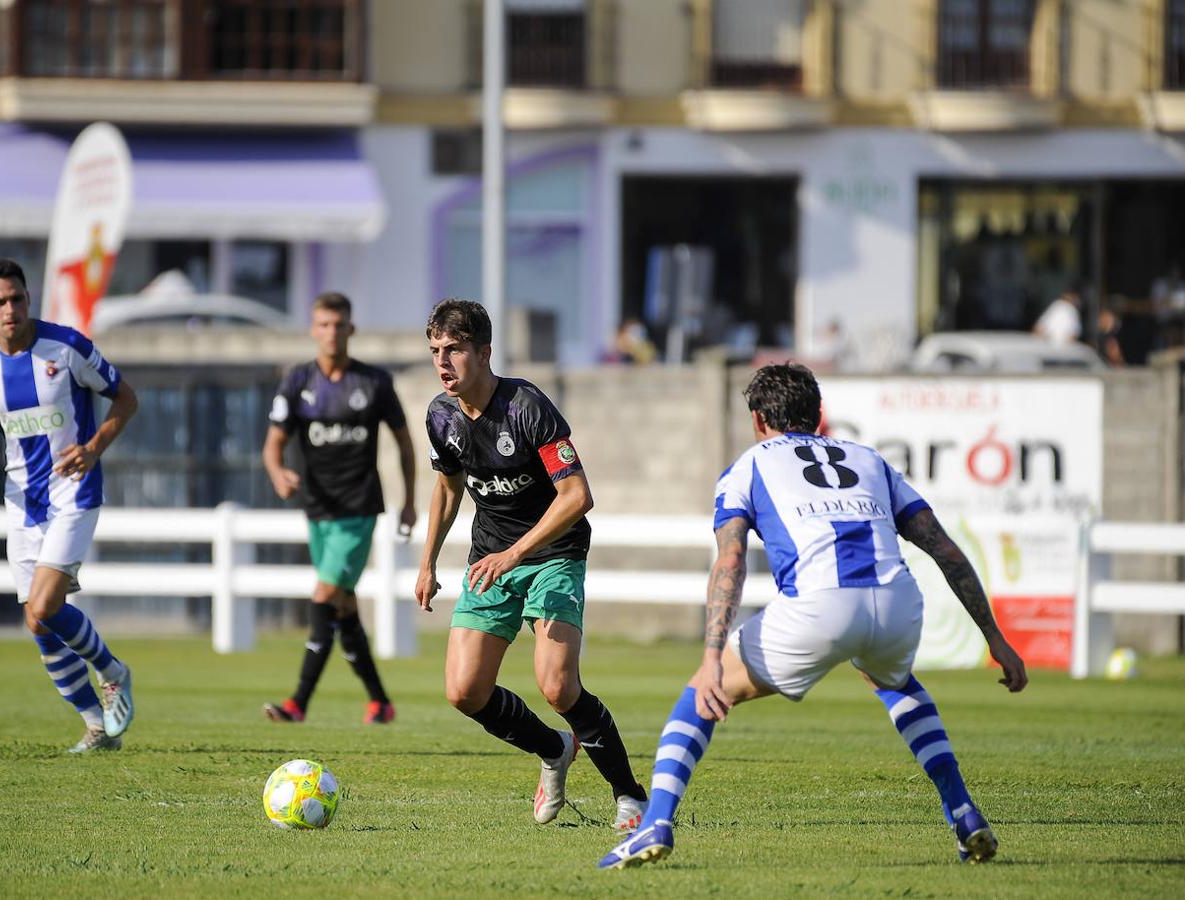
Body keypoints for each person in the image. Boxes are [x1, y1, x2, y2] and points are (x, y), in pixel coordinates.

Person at [601, 362, 1028, 869]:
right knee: (891, 679)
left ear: (759, 419)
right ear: (819, 415)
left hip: (820, 606)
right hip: (897, 601)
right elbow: (944, 548)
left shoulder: (749, 464)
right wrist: (994, 638)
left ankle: (655, 824)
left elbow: (731, 560)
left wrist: (713, 654)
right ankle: (964, 812)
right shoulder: (870, 459)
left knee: (703, 693)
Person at [415, 298, 649, 833]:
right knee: (464, 692)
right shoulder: (441, 415)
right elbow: (448, 489)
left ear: (484, 352)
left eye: (454, 350)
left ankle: (631, 797)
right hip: (490, 559)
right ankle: (553, 750)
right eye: (435, 351)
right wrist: (427, 562)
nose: (443, 363)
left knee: (557, 686)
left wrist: (515, 553)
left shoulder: (525, 407)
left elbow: (576, 496)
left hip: (552, 554)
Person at [0, 258, 139, 753]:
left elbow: (126, 399)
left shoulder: (66, 346)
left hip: (74, 491)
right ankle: (96, 726)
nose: (11, 309)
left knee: (48, 605)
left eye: (18, 299)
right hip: (22, 501)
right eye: (0, 302)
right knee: (36, 622)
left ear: (29, 300)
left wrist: (93, 448)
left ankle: (114, 673)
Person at [261, 292, 416, 725]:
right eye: (324, 324)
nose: (332, 332)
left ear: (351, 329)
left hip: (359, 508)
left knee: (324, 593)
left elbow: (404, 444)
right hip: (318, 508)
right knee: (344, 608)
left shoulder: (374, 383)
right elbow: (273, 445)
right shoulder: (297, 382)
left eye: (339, 324)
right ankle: (380, 703)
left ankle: (297, 703)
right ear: (314, 330)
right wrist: (278, 474)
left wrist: (408, 502)